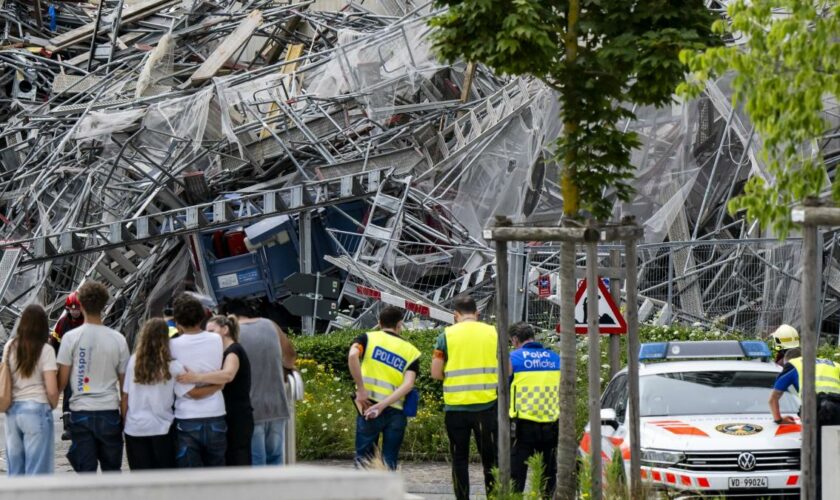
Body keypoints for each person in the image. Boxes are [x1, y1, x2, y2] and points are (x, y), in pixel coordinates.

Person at [57, 281, 130, 472]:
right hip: (109, 412)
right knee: (112, 471)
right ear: (104, 304)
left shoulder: (70, 338)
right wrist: (124, 417)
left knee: (86, 474)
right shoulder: (118, 340)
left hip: (81, 413)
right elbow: (125, 388)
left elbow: (61, 383)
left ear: (80, 305)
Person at [431, 294, 498, 500]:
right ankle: (494, 497)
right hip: (487, 407)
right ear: (477, 313)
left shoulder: (446, 336)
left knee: (459, 459)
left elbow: (435, 372)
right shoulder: (493, 332)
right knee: (490, 460)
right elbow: (508, 368)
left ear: (455, 315)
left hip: (456, 409)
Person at [222, 298, 296, 466]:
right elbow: (290, 355)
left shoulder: (233, 334)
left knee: (257, 461)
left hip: (251, 408)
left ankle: (260, 493)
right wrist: (284, 368)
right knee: (276, 457)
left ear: (228, 316)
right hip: (277, 404)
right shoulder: (270, 325)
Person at [348, 306, 420, 470]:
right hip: (395, 410)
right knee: (389, 462)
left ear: (379, 323)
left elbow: (352, 355)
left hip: (368, 406)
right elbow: (408, 384)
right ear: (399, 324)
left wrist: (361, 390)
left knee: (364, 460)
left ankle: (361, 495)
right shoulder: (411, 351)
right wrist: (383, 405)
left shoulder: (367, 338)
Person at [177, 315, 254, 466]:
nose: (209, 335)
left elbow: (228, 375)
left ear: (225, 329)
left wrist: (195, 377)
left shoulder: (233, 350)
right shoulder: (222, 353)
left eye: (212, 331)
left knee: (238, 461)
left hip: (238, 417)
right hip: (231, 415)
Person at [121, 318, 194, 470]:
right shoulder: (172, 365)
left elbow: (125, 396)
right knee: (164, 477)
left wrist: (124, 421)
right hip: (162, 427)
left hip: (135, 427)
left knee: (141, 477)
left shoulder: (134, 361)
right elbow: (189, 391)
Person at [770, 347, 840, 496]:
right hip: (837, 411)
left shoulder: (793, 364)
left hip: (819, 411)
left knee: (817, 462)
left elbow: (773, 398)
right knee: (835, 459)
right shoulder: (833, 364)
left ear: (788, 360)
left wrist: (779, 419)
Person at [169, 293, 227, 467]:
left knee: (191, 480)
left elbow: (191, 392)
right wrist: (218, 386)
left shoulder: (172, 346)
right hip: (216, 413)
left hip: (186, 416)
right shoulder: (217, 339)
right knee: (217, 473)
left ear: (177, 320)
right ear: (202, 315)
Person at [3, 304, 60, 475]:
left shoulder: (10, 346)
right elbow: (51, 389)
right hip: (37, 409)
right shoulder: (46, 350)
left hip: (12, 413)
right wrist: (54, 403)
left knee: (15, 471)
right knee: (37, 473)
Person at [507, 322, 560, 496]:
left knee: (517, 474)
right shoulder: (554, 358)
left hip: (523, 425)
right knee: (548, 473)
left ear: (515, 340)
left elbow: (502, 388)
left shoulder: (513, 358)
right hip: (551, 424)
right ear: (533, 337)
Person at [50, 291, 84, 441]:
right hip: (68, 365)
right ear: (68, 308)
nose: (75, 311)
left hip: (84, 364)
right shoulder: (62, 323)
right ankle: (68, 427)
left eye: (77, 308)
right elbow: (54, 344)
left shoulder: (87, 322)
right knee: (69, 394)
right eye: (72, 308)